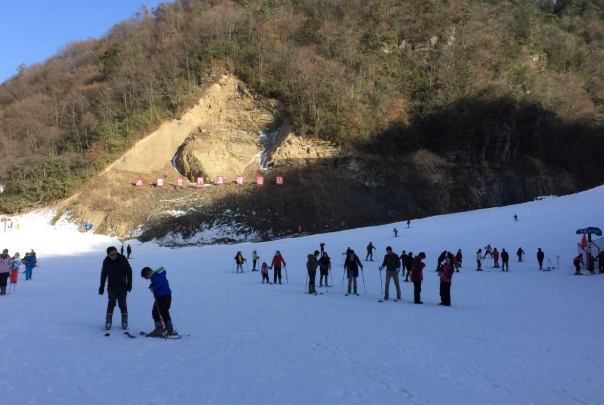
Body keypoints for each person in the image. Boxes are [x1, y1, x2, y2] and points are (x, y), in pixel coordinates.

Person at [99, 246, 132, 330]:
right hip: (111, 287)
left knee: (122, 304)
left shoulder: (122, 259)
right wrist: (102, 286)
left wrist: (129, 283)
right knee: (111, 303)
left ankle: (124, 321)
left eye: (115, 254)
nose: (114, 256)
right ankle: (108, 321)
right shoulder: (106, 262)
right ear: (108, 255)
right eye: (111, 255)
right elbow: (104, 274)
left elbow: (129, 271)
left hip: (122, 286)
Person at [141, 267, 176, 337]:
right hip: (168, 295)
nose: (147, 279)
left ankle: (159, 330)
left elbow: (159, 283)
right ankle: (169, 329)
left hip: (161, 296)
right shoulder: (159, 274)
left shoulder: (154, 276)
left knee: (155, 313)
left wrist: (153, 288)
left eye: (146, 277)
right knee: (164, 311)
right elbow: (162, 280)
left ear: (147, 273)